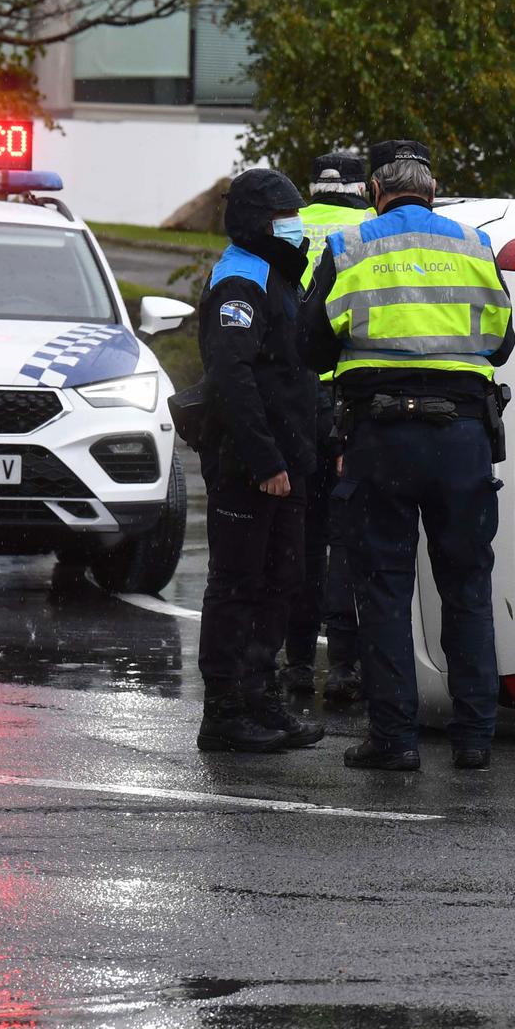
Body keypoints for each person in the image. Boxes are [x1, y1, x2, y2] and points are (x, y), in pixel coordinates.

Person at [301, 142, 515, 771]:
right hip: (463, 438)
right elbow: (500, 343)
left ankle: (395, 739)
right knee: (467, 588)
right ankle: (476, 738)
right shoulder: (475, 246)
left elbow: (309, 345)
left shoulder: (349, 246)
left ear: (375, 192)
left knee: (385, 590)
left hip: (380, 438)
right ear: (435, 189)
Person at [195, 168, 327, 754]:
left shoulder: (277, 275)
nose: (296, 229)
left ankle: (262, 697)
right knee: (237, 584)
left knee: (281, 580)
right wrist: (265, 460)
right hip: (250, 465)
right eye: (285, 218)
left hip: (288, 461)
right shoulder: (240, 282)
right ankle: (224, 711)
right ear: (257, 223)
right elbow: (233, 378)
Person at [281, 151, 374, 704]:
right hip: (350, 397)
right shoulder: (371, 232)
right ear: (365, 188)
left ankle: (294, 662)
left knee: (303, 536)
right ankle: (343, 666)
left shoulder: (288, 226)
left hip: (296, 395)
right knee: (349, 539)